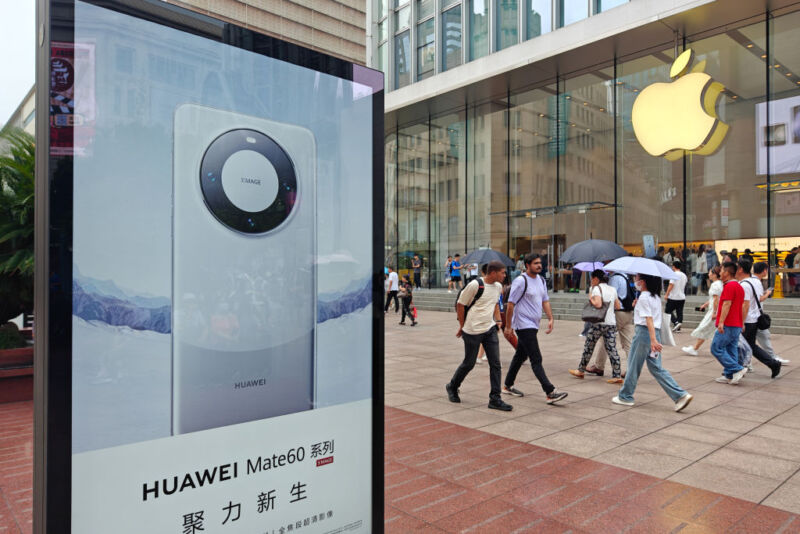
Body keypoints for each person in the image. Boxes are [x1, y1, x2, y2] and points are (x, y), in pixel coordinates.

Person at [613, 273, 693, 412]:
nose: (635, 280)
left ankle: (625, 396)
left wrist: (653, 340)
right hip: (652, 334)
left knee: (633, 365)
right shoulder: (654, 296)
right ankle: (680, 395)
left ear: (643, 282)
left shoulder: (644, 297)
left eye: (637, 278)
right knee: (656, 368)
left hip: (645, 335)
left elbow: (648, 319)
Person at [502, 253, 568, 404]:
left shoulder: (541, 280)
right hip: (523, 325)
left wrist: (550, 318)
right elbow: (510, 304)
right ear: (527, 265)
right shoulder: (520, 281)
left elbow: (545, 300)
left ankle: (507, 385)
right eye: (535, 263)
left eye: (540, 263)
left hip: (534, 324)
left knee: (520, 355)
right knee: (536, 358)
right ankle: (550, 391)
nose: (539, 265)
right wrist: (508, 326)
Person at [445, 261, 511, 411]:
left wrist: (498, 320)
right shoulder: (475, 285)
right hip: (472, 330)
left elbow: (494, 303)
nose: (505, 275)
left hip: (489, 329)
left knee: (496, 364)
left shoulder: (498, 287)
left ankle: (495, 399)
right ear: (493, 272)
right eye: (502, 272)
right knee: (469, 363)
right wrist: (462, 326)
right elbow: (461, 304)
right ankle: (452, 386)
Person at [569, 270, 623, 383]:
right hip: (611, 324)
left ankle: (581, 370)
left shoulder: (596, 289)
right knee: (612, 349)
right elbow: (618, 306)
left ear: (596, 279)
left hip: (598, 324)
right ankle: (617, 375)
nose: (591, 281)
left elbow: (598, 304)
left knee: (589, 347)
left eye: (592, 278)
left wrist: (591, 298)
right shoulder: (612, 289)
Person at [585, 270, 636, 377]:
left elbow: (609, 297)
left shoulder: (615, 279)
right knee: (627, 343)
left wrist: (593, 293)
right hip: (628, 312)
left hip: (618, 313)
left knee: (606, 338)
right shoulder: (625, 276)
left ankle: (599, 367)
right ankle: (632, 370)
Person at [737, 258, 782, 378]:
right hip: (755, 319)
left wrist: (741, 322)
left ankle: (737, 369)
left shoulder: (745, 284)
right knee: (750, 346)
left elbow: (745, 304)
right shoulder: (756, 282)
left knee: (738, 345)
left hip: (747, 320)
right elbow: (759, 298)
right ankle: (773, 364)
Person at [709, 262, 748, 384]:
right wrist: (742, 323)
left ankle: (738, 369)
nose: (719, 273)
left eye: (721, 271)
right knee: (731, 350)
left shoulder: (729, 286)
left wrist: (721, 322)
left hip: (728, 324)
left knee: (716, 348)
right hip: (736, 324)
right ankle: (729, 375)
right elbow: (742, 306)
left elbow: (727, 304)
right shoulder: (739, 287)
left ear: (727, 272)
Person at [752, 262, 789, 364]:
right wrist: (768, 293)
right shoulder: (756, 282)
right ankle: (772, 359)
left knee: (762, 338)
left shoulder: (752, 281)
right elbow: (760, 299)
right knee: (756, 341)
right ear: (764, 271)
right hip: (754, 317)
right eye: (766, 270)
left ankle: (772, 358)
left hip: (754, 316)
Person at [682, 266, 722, 356]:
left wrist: (714, 312)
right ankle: (695, 348)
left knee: (705, 327)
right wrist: (706, 304)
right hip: (715, 310)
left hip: (714, 311)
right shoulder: (720, 284)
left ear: (715, 274)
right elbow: (714, 298)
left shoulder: (715, 285)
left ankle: (695, 348)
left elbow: (716, 299)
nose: (709, 274)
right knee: (707, 329)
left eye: (710, 272)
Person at [664, 260, 688, 332]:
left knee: (667, 310)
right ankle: (678, 325)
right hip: (682, 297)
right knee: (679, 311)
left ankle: (675, 322)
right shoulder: (684, 275)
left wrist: (666, 294)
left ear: (674, 267)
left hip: (673, 297)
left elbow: (671, 285)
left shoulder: (673, 274)